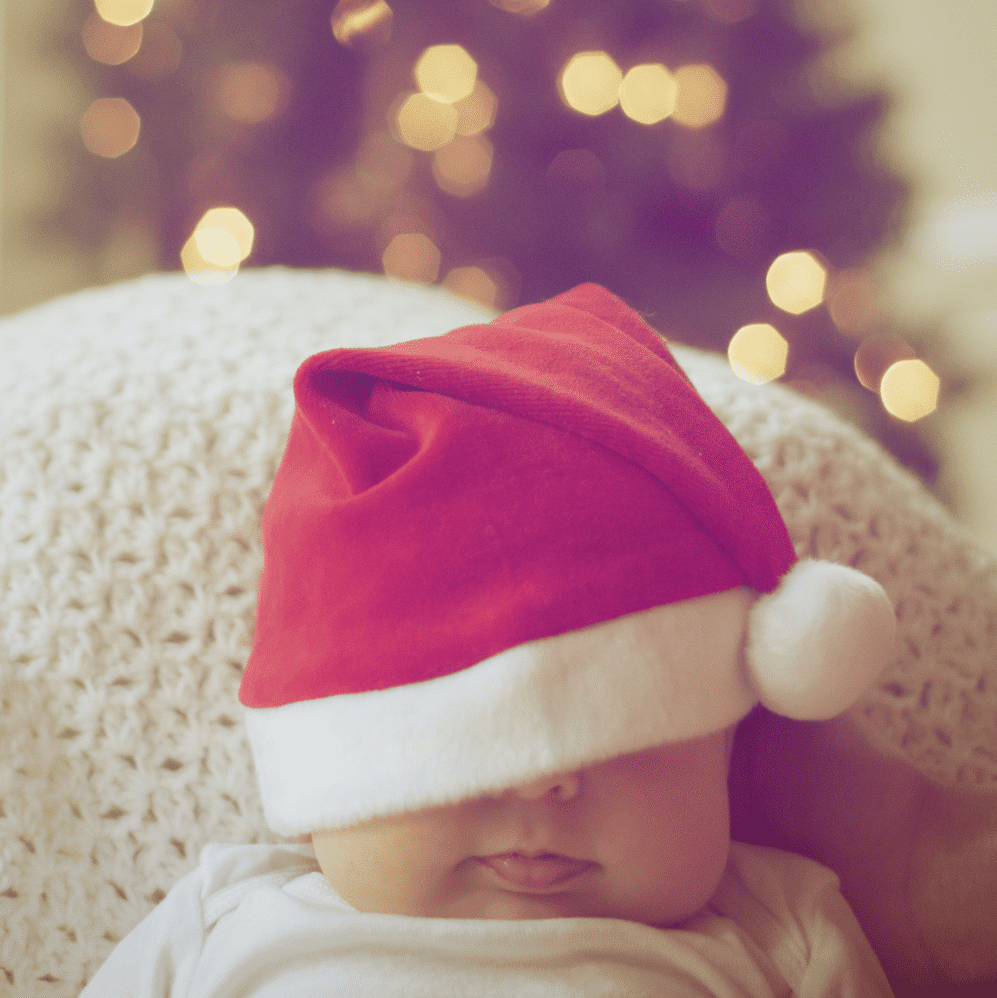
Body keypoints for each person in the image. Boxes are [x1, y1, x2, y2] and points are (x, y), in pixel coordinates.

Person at [81, 283, 898, 996]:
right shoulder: (227, 917)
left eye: (618, 723)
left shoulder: (777, 928)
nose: (542, 780)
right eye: (468, 738)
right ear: (325, 778)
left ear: (724, 741)